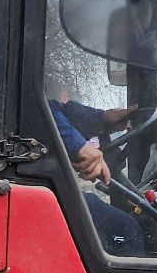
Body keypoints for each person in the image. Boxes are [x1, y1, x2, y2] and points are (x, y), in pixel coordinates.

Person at [50, 96, 145, 256]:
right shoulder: (24, 93)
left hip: (43, 183)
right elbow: (36, 105)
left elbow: (54, 109)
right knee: (126, 228)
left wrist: (102, 118)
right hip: (37, 185)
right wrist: (78, 146)